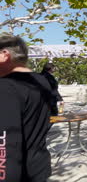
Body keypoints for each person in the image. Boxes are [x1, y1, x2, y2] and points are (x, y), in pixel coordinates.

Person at [0, 33, 52, 181]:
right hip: (39, 168)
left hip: (17, 173)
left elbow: (5, 144)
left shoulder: (6, 87)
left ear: (5, 55)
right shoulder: (42, 81)